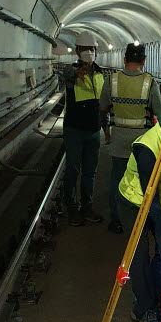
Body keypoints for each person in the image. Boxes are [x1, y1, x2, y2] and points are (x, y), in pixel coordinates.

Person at [117, 101, 161, 322]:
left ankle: (150, 300)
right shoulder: (146, 148)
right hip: (135, 202)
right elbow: (150, 201)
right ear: (160, 124)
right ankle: (145, 310)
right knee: (140, 253)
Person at [99, 43, 161, 234]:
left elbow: (102, 108)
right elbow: (159, 111)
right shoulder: (150, 82)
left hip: (118, 138)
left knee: (118, 179)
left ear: (124, 59)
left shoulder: (112, 80)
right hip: (143, 141)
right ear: (144, 61)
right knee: (144, 181)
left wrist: (108, 132)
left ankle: (117, 221)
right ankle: (142, 220)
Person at [62, 31, 106, 226]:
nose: (89, 52)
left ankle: (86, 207)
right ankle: (71, 209)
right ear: (78, 51)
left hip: (94, 130)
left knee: (90, 171)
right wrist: (76, 72)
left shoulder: (100, 73)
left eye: (92, 49)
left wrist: (107, 128)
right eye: (85, 49)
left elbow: (103, 104)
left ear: (95, 50)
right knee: (72, 169)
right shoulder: (72, 71)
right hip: (74, 129)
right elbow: (66, 72)